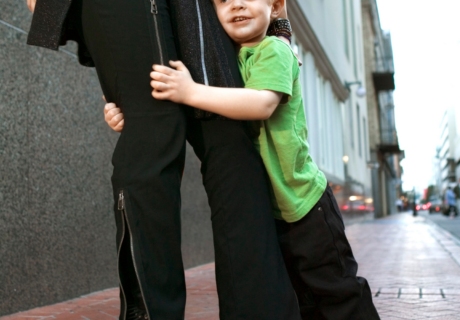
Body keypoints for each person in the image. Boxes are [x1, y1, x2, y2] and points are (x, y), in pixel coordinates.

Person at [25, 0, 301, 319]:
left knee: (234, 151)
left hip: (198, 11)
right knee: (152, 140)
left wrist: (280, 31)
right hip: (121, 12)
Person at [106, 0, 380, 318]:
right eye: (223, 1)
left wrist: (188, 91)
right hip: (275, 210)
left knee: (336, 289)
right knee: (303, 295)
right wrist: (122, 110)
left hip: (306, 206)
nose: (236, 4)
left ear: (275, 6)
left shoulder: (274, 50)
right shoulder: (229, 60)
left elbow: (261, 103)